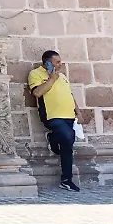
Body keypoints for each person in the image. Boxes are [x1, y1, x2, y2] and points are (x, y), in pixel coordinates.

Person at [29, 50, 80, 191]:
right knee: (69, 136)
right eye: (57, 62)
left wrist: (78, 112)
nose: (60, 64)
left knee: (68, 145)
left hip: (69, 116)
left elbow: (69, 94)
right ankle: (52, 139)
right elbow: (37, 92)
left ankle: (66, 180)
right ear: (47, 63)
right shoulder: (35, 74)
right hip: (52, 115)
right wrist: (51, 78)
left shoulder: (62, 76)